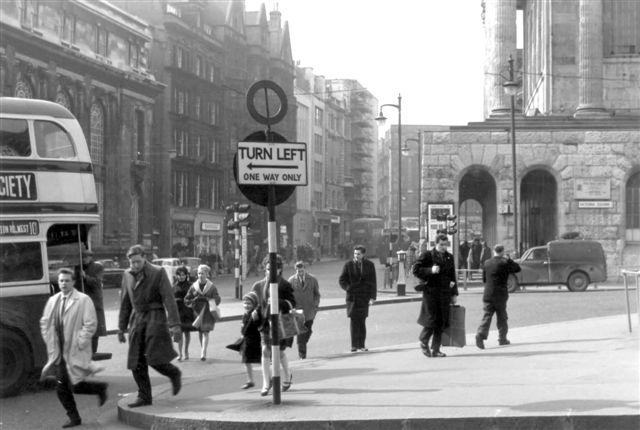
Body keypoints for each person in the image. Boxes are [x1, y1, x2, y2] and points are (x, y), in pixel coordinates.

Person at [40, 268, 108, 428]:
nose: (63, 283)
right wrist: (48, 337)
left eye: (67, 280)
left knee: (72, 385)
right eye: (61, 281)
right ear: (58, 283)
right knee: (62, 386)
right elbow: (45, 322)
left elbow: (90, 324)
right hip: (58, 351)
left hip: (75, 349)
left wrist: (80, 341)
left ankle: (98, 389)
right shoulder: (53, 300)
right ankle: (75, 416)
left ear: (74, 282)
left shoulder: (83, 300)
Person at [118, 244, 182, 408]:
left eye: (138, 262)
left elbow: (169, 299)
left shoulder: (158, 272)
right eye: (132, 262)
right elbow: (125, 303)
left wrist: (175, 325)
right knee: (136, 361)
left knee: (155, 358)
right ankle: (144, 396)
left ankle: (174, 373)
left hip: (155, 318)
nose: (135, 265)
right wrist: (121, 327)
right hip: (137, 319)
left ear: (144, 258)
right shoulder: (127, 275)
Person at [250, 255, 296, 396]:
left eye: (274, 269)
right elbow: (253, 302)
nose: (271, 271)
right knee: (265, 350)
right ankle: (266, 382)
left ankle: (287, 376)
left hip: (280, 322)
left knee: (279, 352)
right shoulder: (258, 285)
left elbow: (292, 304)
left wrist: (278, 301)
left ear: (280, 270)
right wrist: (253, 311)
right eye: (269, 269)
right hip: (265, 323)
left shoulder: (285, 285)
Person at [412, 234, 459, 358]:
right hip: (431, 293)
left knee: (441, 321)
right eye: (441, 245)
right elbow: (416, 270)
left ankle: (436, 349)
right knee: (431, 320)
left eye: (445, 244)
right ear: (435, 244)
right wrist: (430, 270)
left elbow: (452, 276)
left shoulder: (449, 257)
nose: (444, 247)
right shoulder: (428, 255)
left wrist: (454, 293)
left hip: (444, 292)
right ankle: (423, 340)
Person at [475, 244, 521, 349]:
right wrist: (509, 260)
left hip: (488, 293)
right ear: (502, 252)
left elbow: (484, 280)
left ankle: (480, 335)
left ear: (493, 251)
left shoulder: (487, 263)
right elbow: (517, 269)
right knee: (502, 317)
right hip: (500, 294)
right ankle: (502, 339)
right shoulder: (504, 263)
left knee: (487, 316)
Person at [338, 245, 377, 353]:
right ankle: (354, 345)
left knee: (362, 321)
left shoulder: (369, 265)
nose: (356, 256)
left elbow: (373, 282)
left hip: (364, 298)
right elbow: (342, 280)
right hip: (352, 298)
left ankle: (362, 345)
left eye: (358, 254)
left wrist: (372, 297)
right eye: (355, 254)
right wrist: (348, 288)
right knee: (354, 321)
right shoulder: (348, 265)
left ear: (363, 254)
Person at [184, 264, 221, 361]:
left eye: (203, 273)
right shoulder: (193, 287)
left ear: (207, 274)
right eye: (199, 273)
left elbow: (218, 299)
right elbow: (187, 299)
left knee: (205, 332)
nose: (200, 275)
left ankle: (203, 352)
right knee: (200, 331)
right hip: (197, 312)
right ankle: (202, 349)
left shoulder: (212, 287)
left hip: (208, 311)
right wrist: (193, 301)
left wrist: (208, 299)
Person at [287, 261, 321, 359]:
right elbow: (289, 296)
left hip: (310, 310)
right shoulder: (291, 280)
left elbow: (317, 294)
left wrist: (315, 306)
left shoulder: (313, 279)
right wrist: (292, 308)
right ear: (295, 270)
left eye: (301, 271)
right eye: (298, 271)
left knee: (308, 330)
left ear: (305, 269)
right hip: (298, 311)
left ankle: (302, 341)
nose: (300, 273)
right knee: (301, 333)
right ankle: (302, 355)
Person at [74, 249, 105, 354]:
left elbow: (97, 283)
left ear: (90, 257)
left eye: (86, 257)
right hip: (82, 302)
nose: (84, 259)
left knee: (94, 330)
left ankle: (93, 352)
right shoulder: (78, 268)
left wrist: (85, 277)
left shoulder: (97, 267)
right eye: (82, 257)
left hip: (93, 302)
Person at [238, 292, 262, 389]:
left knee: (261, 361)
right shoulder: (246, 314)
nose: (246, 305)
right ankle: (250, 380)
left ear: (254, 304)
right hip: (247, 342)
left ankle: (269, 378)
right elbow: (243, 328)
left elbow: (258, 326)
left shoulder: (255, 314)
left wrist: (255, 319)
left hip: (255, 341)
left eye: (249, 303)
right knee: (246, 361)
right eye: (245, 303)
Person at [172, 266, 195, 361]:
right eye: (179, 275)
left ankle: (186, 351)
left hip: (187, 311)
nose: (181, 277)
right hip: (178, 311)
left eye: (183, 275)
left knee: (187, 332)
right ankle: (180, 353)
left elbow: (194, 297)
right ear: (176, 276)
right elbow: (171, 298)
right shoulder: (174, 286)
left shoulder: (191, 285)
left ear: (186, 275)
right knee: (179, 332)